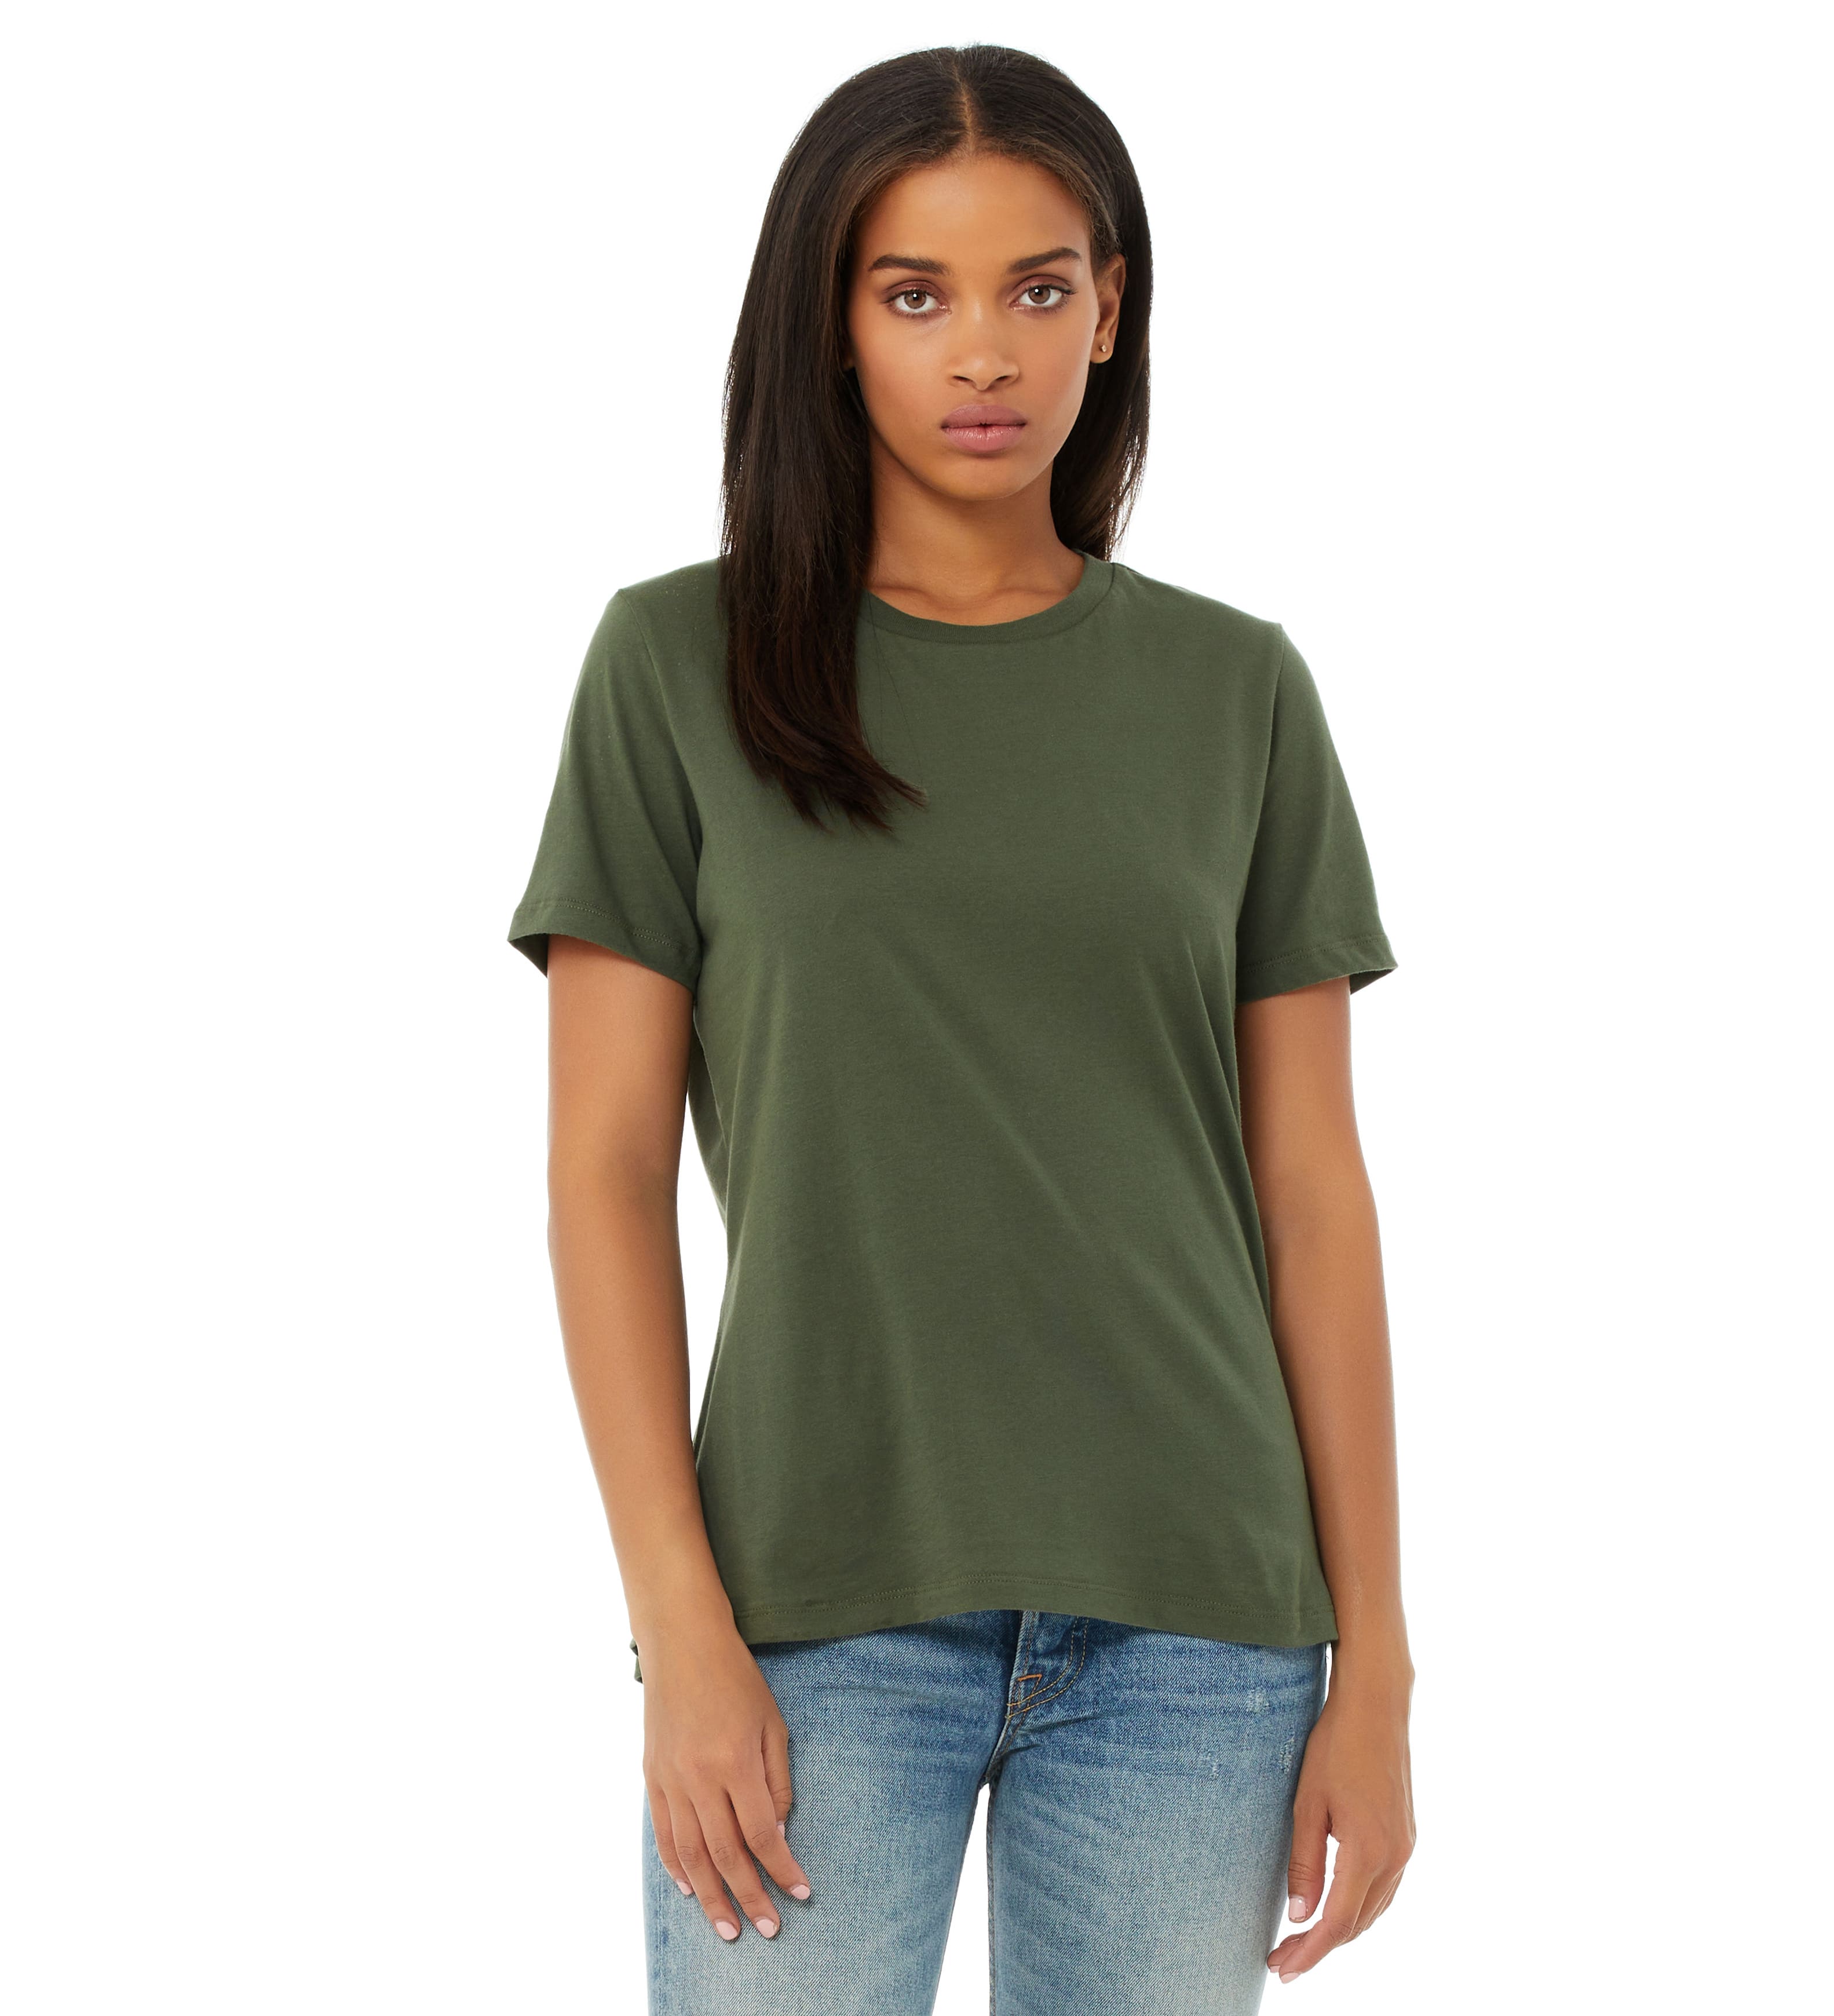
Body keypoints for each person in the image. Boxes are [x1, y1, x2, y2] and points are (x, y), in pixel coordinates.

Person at [507, 42, 1415, 2014]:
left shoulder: (1237, 694)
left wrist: (1380, 1670)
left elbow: (1313, 1196)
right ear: (830, 323)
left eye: (1039, 286)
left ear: (1113, 309)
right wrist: (678, 1625)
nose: (984, 351)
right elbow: (602, 1177)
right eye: (914, 292)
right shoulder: (675, 669)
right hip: (810, 1609)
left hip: (1198, 1623)